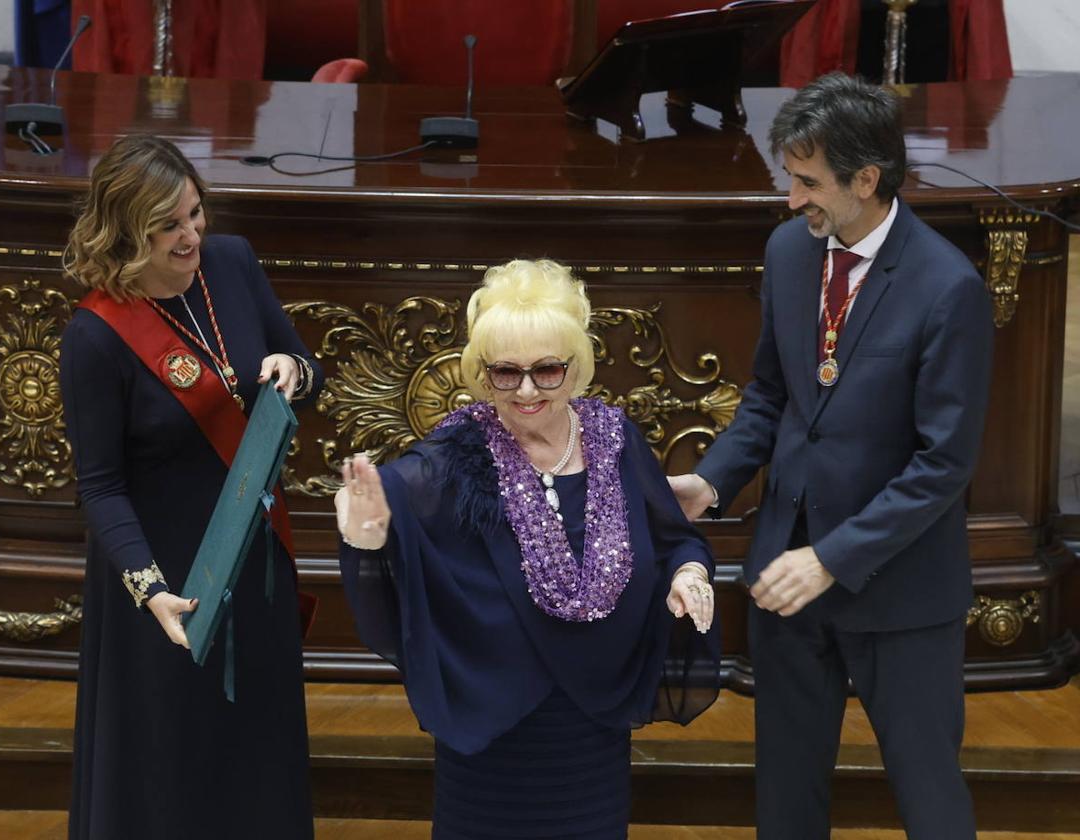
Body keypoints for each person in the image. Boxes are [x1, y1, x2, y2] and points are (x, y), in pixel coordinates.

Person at [670, 73, 993, 840]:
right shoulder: (789, 252)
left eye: (809, 181)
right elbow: (771, 398)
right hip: (788, 580)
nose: (792, 200)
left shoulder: (949, 290)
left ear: (867, 179)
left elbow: (943, 465)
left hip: (899, 591)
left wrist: (832, 558)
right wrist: (711, 484)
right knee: (785, 800)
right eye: (791, 176)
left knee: (929, 798)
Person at [336, 259, 720, 840]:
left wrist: (689, 572)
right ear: (481, 374)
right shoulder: (455, 454)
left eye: (547, 370)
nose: (526, 390)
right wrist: (367, 532)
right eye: (505, 373)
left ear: (576, 366)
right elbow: (393, 500)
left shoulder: (615, 439)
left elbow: (674, 537)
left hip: (592, 719)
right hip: (496, 721)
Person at [60, 134, 322, 839]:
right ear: (124, 233)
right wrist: (150, 590)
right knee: (169, 757)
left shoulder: (231, 264)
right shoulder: (94, 337)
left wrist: (293, 372)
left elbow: (305, 363)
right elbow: (101, 485)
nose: (192, 235)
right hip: (167, 576)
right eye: (169, 225)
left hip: (253, 555)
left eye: (195, 213)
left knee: (254, 747)